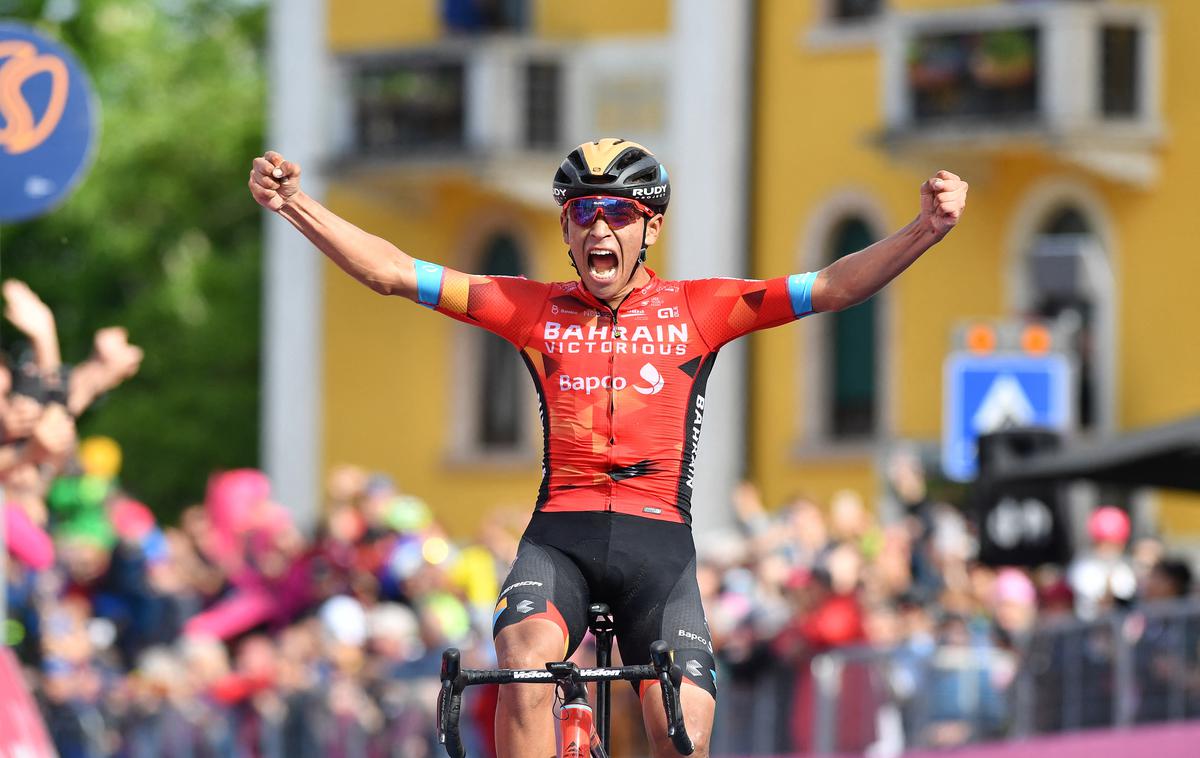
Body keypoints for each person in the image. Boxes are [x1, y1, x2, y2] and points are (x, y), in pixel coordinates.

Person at [249, 138, 967, 757]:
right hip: (559, 538)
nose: (599, 227)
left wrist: (925, 229)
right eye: (581, 213)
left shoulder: (699, 308)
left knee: (680, 730)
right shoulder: (531, 308)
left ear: (648, 227)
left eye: (617, 213)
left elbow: (834, 288)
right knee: (525, 662)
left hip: (658, 550)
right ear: (565, 229)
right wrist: (296, 205)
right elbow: (394, 273)